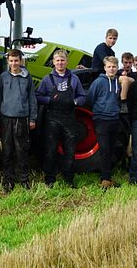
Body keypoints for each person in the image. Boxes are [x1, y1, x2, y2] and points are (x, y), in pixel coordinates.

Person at [35, 49, 87, 188]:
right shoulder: (47, 79)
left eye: (62, 60)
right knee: (50, 150)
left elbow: (82, 96)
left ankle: (68, 179)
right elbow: (38, 96)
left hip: (69, 118)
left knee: (70, 150)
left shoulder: (74, 79)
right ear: (53, 62)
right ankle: (50, 179)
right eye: (57, 60)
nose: (60, 63)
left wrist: (75, 102)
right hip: (52, 118)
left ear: (67, 62)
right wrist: (50, 100)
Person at [0, 48, 37, 192]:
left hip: (22, 118)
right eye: (11, 61)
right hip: (6, 118)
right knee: (7, 151)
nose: (14, 63)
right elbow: (0, 97)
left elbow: (32, 98)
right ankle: (8, 180)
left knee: (22, 150)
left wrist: (32, 118)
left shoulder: (27, 77)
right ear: (8, 62)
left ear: (21, 61)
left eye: (16, 61)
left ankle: (24, 179)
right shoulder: (3, 77)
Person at [87, 56, 123, 189]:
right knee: (104, 149)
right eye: (109, 67)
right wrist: (99, 110)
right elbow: (90, 99)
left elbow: (117, 99)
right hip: (101, 119)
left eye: (114, 67)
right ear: (105, 68)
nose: (111, 69)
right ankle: (105, 179)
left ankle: (108, 177)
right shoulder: (98, 82)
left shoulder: (117, 83)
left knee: (112, 148)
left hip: (114, 119)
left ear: (117, 68)